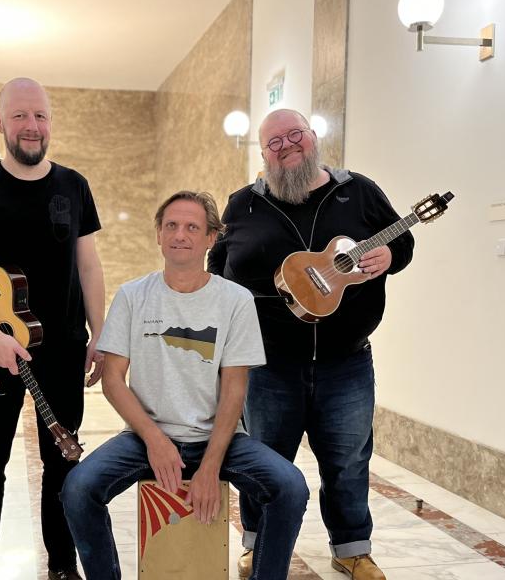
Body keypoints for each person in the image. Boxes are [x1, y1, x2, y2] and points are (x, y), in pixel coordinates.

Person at [208, 109, 415, 580]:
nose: (286, 147)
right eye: (273, 143)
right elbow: (217, 268)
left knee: (347, 460)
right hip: (268, 363)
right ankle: (256, 545)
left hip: (347, 360)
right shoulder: (243, 205)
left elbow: (399, 244)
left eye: (293, 135)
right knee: (264, 459)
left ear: (313, 136)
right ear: (262, 155)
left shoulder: (356, 190)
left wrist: (390, 255)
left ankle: (352, 549)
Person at [61, 191, 309, 580]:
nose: (181, 234)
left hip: (221, 439)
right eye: (171, 226)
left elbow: (234, 389)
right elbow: (112, 381)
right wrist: (155, 440)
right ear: (159, 234)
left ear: (211, 238)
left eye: (193, 227)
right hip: (146, 437)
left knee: (291, 487)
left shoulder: (235, 300)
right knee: (78, 489)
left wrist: (210, 464)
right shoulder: (132, 295)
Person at [0, 77, 105, 580]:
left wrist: (102, 334)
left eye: (40, 116)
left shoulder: (73, 185)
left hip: (65, 347)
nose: (32, 127)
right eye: (20, 116)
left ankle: (61, 565)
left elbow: (89, 267)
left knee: (64, 461)